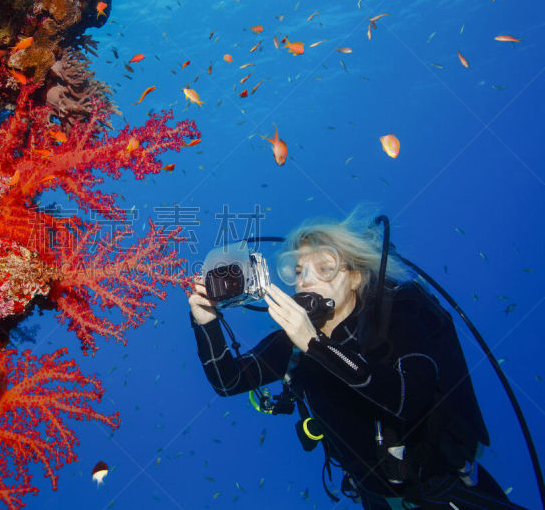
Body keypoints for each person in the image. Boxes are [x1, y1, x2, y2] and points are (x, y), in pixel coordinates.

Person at [188, 209, 527, 509]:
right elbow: (229, 380)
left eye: (324, 267)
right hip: (378, 501)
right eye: (299, 270)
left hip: (449, 494)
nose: (306, 278)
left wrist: (315, 344)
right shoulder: (294, 345)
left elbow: (410, 399)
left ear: (355, 277)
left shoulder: (398, 312)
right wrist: (206, 323)